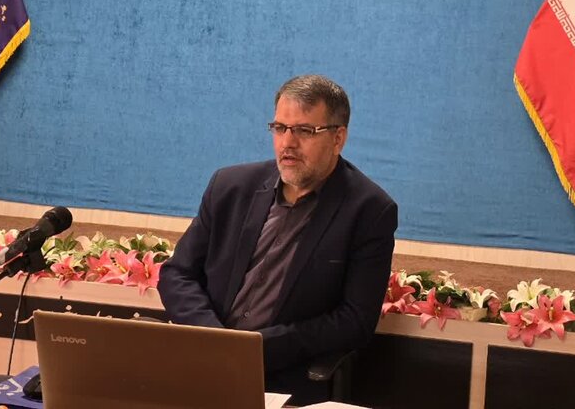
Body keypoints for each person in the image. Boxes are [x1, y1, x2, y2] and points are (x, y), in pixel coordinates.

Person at [157, 74, 398, 404]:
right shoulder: (230, 187)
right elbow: (177, 273)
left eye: (304, 131)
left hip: (281, 375)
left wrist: (255, 348)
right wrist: (214, 339)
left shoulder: (369, 210)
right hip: (201, 359)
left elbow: (355, 320)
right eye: (280, 128)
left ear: (338, 138)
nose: (287, 143)